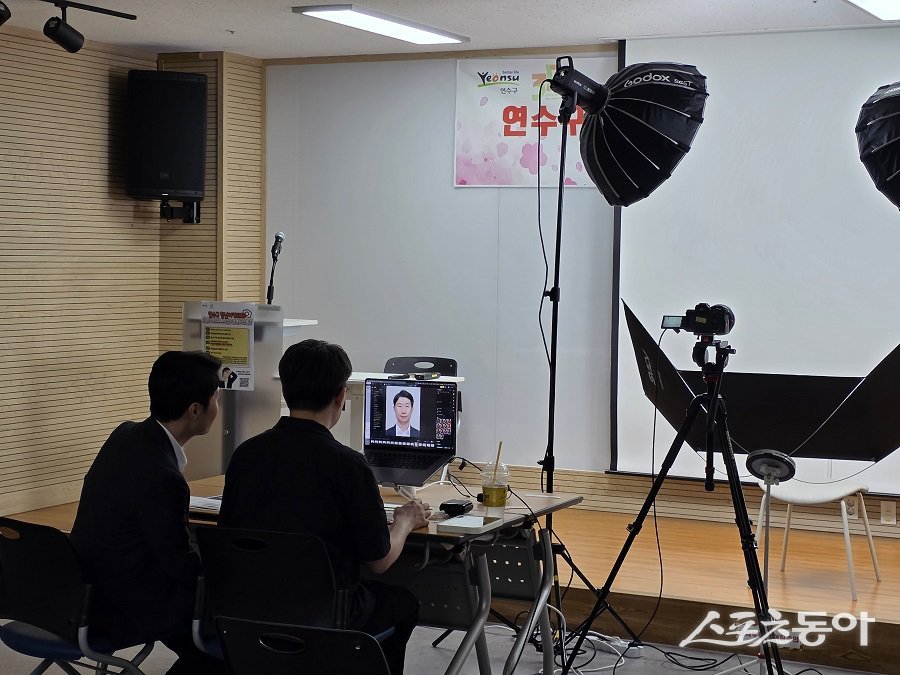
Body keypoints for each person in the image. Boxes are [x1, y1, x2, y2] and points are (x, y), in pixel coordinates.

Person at [218, 339, 429, 675]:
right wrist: (404, 521)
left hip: (248, 610)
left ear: (285, 390)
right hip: (328, 613)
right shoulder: (349, 466)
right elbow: (379, 561)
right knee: (402, 604)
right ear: (341, 396)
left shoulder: (246, 455)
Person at [69, 351, 223, 675]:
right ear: (195, 410)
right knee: (226, 629)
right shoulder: (163, 477)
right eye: (215, 398)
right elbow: (178, 565)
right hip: (118, 607)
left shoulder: (124, 434)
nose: (217, 406)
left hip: (81, 592)